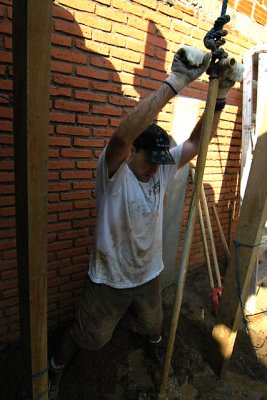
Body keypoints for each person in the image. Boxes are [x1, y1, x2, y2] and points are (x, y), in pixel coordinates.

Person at [48, 46, 243, 399]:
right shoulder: (113, 173)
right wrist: (177, 82)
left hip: (149, 273)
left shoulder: (162, 165)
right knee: (88, 336)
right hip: (109, 279)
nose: (156, 166)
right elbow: (121, 136)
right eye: (148, 159)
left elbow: (199, 141)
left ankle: (153, 343)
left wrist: (222, 95)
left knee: (153, 324)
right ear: (132, 153)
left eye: (159, 159)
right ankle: (55, 367)